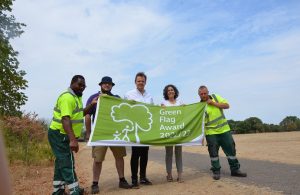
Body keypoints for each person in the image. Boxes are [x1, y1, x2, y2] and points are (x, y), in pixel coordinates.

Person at [48, 75, 97, 195]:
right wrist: (73, 140)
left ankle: (58, 191)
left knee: (61, 162)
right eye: (79, 85)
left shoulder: (76, 98)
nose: (82, 87)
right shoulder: (67, 98)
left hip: (62, 134)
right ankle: (75, 191)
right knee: (67, 163)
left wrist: (92, 104)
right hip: (60, 134)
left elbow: (79, 114)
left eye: (84, 86)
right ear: (72, 83)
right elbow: (65, 119)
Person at [85, 76, 131, 194]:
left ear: (111, 86)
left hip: (115, 133)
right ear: (101, 85)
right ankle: (95, 183)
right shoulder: (93, 97)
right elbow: (87, 115)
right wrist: (89, 133)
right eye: (105, 83)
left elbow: (124, 114)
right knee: (98, 159)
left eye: (109, 84)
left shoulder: (116, 98)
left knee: (119, 157)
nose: (107, 85)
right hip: (100, 133)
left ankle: (122, 180)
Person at [198, 85, 247, 180]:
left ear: (208, 92)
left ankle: (235, 170)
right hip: (211, 133)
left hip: (224, 130)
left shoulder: (215, 97)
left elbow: (227, 106)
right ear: (199, 95)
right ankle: (216, 171)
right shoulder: (200, 106)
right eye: (201, 94)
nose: (203, 95)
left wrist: (212, 103)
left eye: (205, 93)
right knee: (213, 153)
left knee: (231, 151)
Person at [124, 72, 154, 188]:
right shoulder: (128, 94)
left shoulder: (149, 96)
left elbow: (153, 111)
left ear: (145, 82)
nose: (140, 83)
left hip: (146, 129)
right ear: (135, 82)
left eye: (142, 81)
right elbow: (124, 110)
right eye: (138, 81)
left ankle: (143, 177)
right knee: (135, 154)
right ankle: (134, 179)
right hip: (135, 128)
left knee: (145, 154)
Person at [161, 84, 184, 183]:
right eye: (168, 90)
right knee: (169, 154)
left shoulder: (180, 102)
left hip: (179, 131)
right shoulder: (163, 103)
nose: (170, 91)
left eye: (172, 90)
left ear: (175, 92)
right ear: (166, 93)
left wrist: (185, 108)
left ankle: (180, 175)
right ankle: (169, 174)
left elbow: (185, 114)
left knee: (179, 153)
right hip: (168, 132)